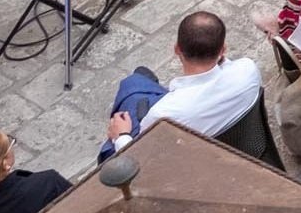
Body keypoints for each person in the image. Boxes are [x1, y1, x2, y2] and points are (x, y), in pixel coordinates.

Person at [100, 11, 262, 159]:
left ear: (177, 49)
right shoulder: (248, 69)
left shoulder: (164, 114)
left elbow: (141, 159)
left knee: (134, 84)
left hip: (195, 168)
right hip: (247, 152)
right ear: (223, 49)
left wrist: (121, 136)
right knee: (138, 80)